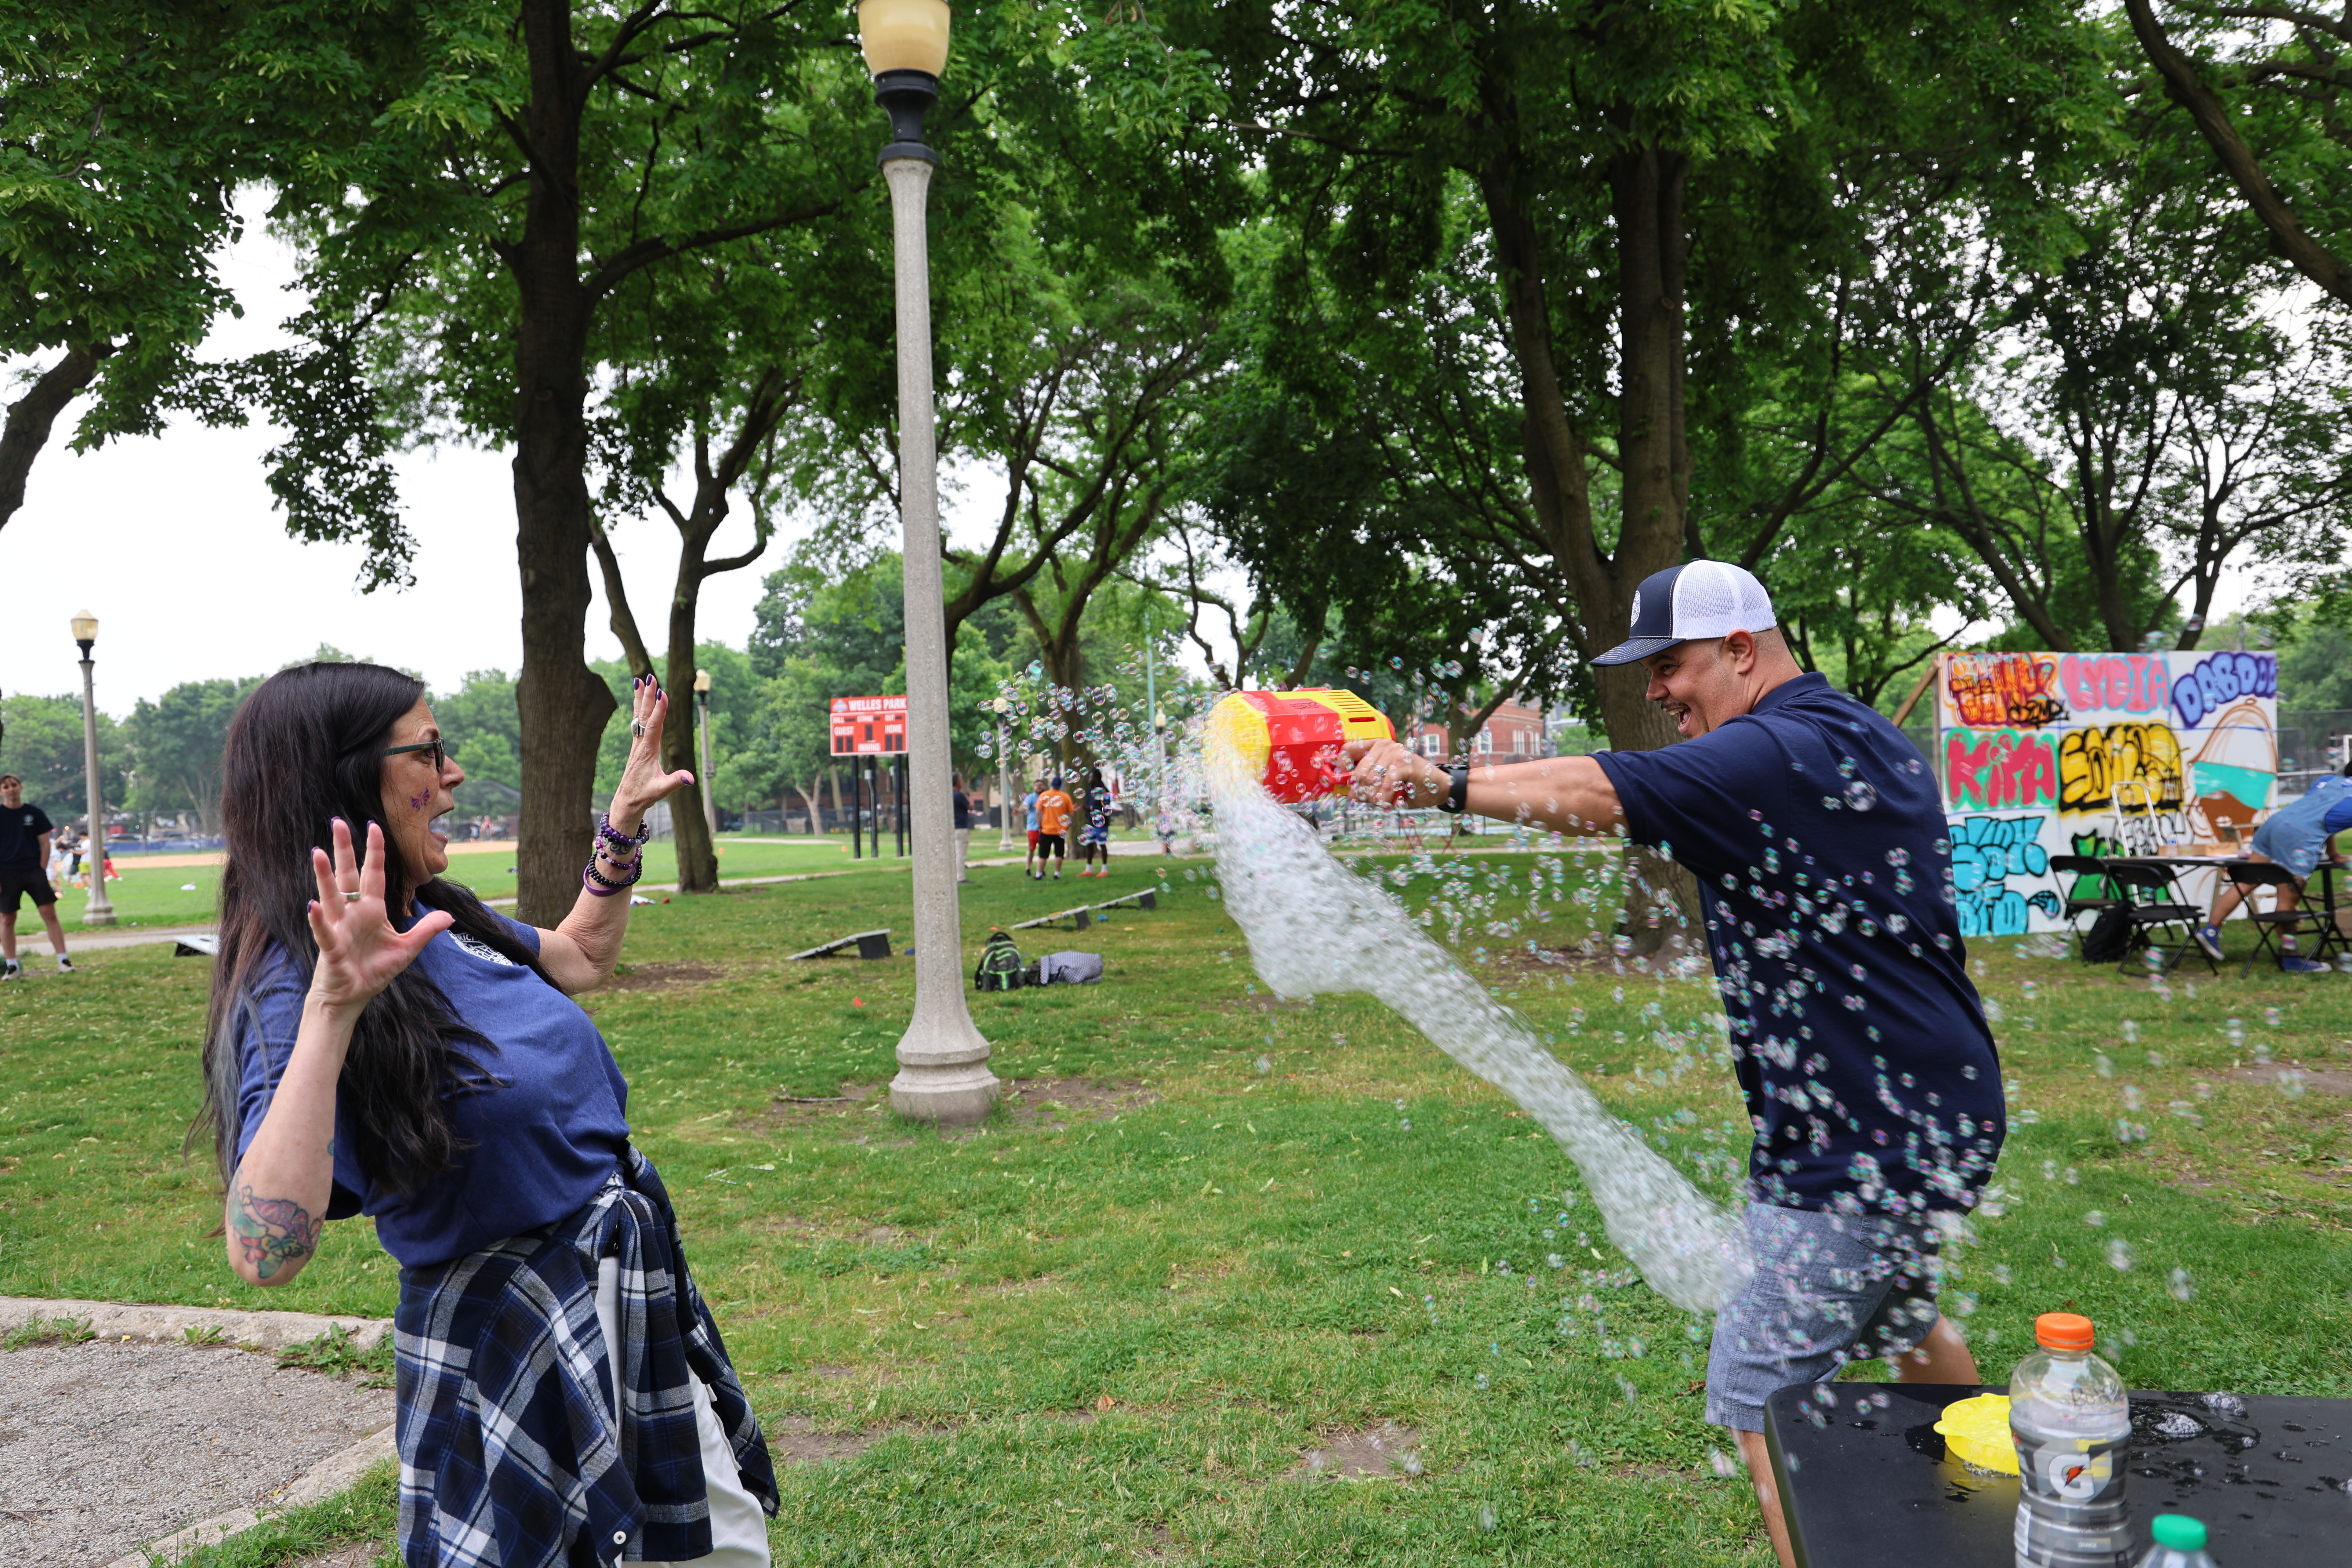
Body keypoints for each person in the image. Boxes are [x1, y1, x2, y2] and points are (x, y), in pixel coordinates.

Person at [1345, 561, 2002, 1568]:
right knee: (1908, 1315)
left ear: (1742, 650)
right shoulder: (1856, 731)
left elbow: (1600, 785)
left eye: (1671, 663)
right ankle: (1992, 1510)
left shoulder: (1775, 749)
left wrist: (1446, 782)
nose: (1656, 688)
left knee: (1761, 1395)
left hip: (1856, 1129)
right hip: (1936, 1106)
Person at [196, 662, 775, 1566]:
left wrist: (620, 824)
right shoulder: (297, 981)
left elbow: (581, 953)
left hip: (619, 1303)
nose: (453, 771)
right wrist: (334, 1008)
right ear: (349, 777)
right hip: (510, 1349)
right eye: (428, 749)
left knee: (718, 1545)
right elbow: (262, 1250)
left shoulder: (432, 914)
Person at [2195, 763, 2352, 971]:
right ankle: (2292, 959)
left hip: (2273, 825)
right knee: (2287, 901)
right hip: (2300, 838)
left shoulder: (2327, 780)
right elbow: (2318, 822)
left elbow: (2317, 814)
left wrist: (2333, 855)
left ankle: (2211, 931)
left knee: (2248, 880)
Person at [1, 775, 75, 978]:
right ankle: (12, 966)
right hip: (6, 872)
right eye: (6, 787)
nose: (11, 789)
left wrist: (41, 870)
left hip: (33, 870)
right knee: (7, 919)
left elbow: (45, 844)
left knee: (49, 914)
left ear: (21, 787)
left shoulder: (35, 813)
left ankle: (64, 961)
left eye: (14, 785)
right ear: (1, 792)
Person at [1034, 775, 1074, 881]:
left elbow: (1038, 812)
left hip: (1046, 829)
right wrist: (1067, 825)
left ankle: (1039, 875)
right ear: (1060, 785)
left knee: (1043, 854)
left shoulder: (1044, 795)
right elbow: (1071, 813)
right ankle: (1057, 874)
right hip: (1061, 830)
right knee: (1059, 853)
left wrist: (1040, 825)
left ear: (1051, 784)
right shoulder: (1066, 797)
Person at [1077, 766, 1114, 878]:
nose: (1089, 780)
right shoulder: (1090, 790)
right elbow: (1089, 804)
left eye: (1091, 777)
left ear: (1096, 779)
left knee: (1102, 844)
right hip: (1091, 821)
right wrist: (1084, 807)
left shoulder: (1104, 791)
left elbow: (1106, 807)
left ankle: (1105, 869)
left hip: (1101, 822)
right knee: (1089, 844)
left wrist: (1091, 809)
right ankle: (1089, 869)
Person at [950, 773, 973, 884]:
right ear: (958, 782)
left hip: (952, 827)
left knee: (954, 853)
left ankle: (953, 876)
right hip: (961, 827)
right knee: (961, 854)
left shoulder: (948, 795)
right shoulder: (959, 795)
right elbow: (970, 807)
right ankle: (961, 877)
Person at [1023, 777, 1044, 878]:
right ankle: (1028, 868)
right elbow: (1025, 806)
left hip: (1045, 828)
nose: (1039, 787)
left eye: (1041, 785)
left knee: (1043, 850)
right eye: (1037, 785)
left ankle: (1041, 870)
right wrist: (1019, 810)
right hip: (1033, 828)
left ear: (1044, 787)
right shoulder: (1031, 798)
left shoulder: (1047, 797)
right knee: (1032, 849)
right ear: (1034, 787)